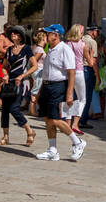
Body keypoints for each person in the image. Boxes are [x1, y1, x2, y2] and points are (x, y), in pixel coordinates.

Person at [35, 24, 86, 161]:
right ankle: (52, 150)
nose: (45, 36)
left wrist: (69, 93)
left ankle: (77, 142)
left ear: (55, 35)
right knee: (47, 118)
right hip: (46, 86)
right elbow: (46, 72)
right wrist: (40, 91)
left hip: (58, 87)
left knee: (55, 119)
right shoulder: (50, 49)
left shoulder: (65, 49)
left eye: (48, 33)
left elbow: (72, 72)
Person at [0, 26, 37, 149]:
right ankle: (5, 137)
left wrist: (22, 75)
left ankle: (30, 131)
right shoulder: (8, 50)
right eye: (11, 33)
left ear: (20, 36)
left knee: (14, 109)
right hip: (9, 83)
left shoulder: (26, 49)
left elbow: (34, 66)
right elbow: (4, 66)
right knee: (4, 109)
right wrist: (5, 75)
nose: (12, 34)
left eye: (15, 33)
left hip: (20, 82)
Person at [63, 24, 87, 134]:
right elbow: (90, 62)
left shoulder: (66, 44)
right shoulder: (83, 45)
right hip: (79, 72)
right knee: (82, 99)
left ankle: (67, 123)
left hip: (68, 72)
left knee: (68, 97)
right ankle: (75, 123)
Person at [79, 25, 99, 131]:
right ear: (93, 32)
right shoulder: (92, 42)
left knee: (77, 96)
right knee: (86, 97)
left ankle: (74, 119)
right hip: (88, 70)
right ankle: (82, 120)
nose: (97, 33)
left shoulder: (80, 40)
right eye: (97, 31)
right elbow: (94, 61)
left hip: (78, 70)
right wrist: (98, 76)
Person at [28, 29, 47, 115]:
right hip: (38, 71)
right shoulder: (40, 50)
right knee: (35, 91)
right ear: (43, 39)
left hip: (37, 71)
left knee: (36, 90)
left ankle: (33, 109)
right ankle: (32, 110)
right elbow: (33, 61)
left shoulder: (36, 47)